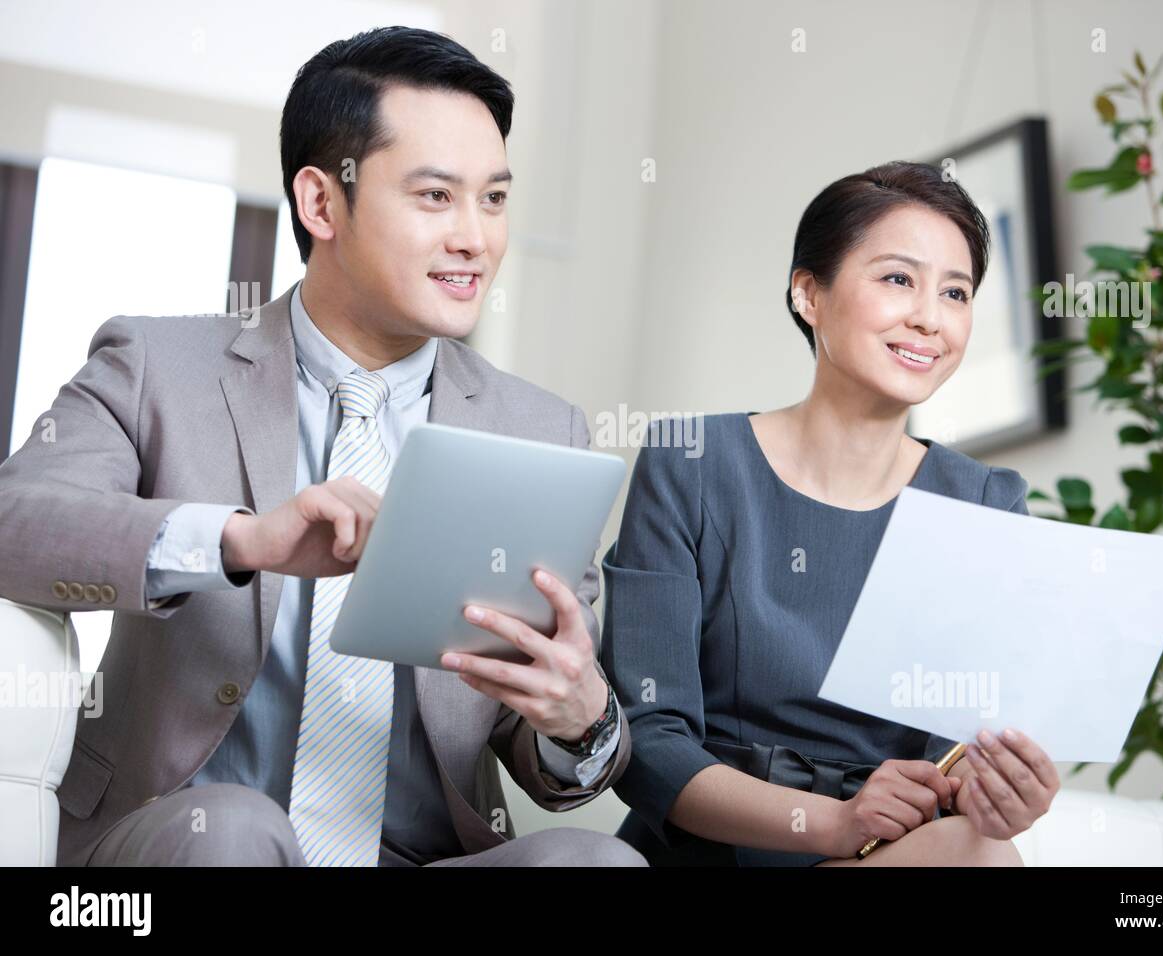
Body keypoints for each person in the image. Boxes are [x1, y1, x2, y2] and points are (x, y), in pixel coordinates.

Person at [0, 27, 643, 868]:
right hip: (179, 838)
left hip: (414, 854)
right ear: (320, 203)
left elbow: (551, 761)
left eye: (493, 199)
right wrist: (237, 540)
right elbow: (16, 524)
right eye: (435, 197)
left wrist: (580, 717)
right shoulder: (157, 366)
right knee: (232, 831)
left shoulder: (540, 428)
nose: (476, 239)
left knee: (602, 865)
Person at [599, 161, 1060, 866]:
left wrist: (1001, 793)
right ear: (808, 293)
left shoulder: (987, 502)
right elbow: (647, 740)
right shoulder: (690, 463)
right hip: (716, 846)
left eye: (956, 292)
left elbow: (967, 746)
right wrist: (830, 822)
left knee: (982, 851)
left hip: (891, 852)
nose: (929, 318)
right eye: (898, 279)